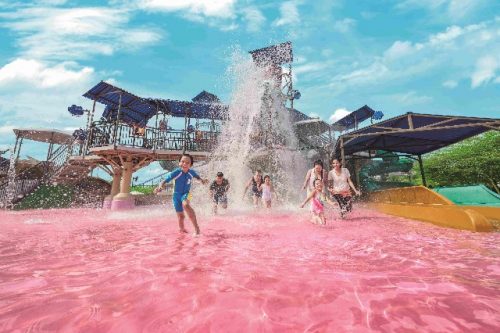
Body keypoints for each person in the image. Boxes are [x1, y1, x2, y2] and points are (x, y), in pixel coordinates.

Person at [154, 154, 208, 235]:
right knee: (181, 216)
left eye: (187, 162)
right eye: (182, 162)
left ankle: (197, 229)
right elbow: (164, 181)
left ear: (191, 165)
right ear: (179, 163)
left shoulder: (191, 172)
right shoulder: (176, 172)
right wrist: (160, 187)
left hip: (187, 194)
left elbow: (197, 177)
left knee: (186, 205)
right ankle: (182, 230)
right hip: (176, 196)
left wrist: (203, 181)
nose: (185, 164)